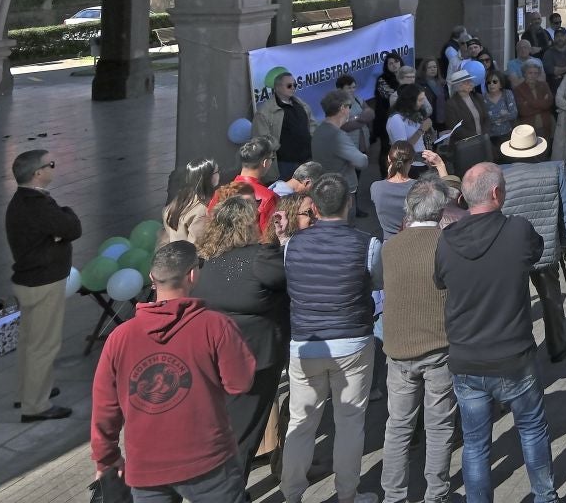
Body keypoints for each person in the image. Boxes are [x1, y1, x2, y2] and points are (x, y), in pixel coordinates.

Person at [90, 241, 256, 503]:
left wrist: (106, 457)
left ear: (152, 279)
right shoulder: (216, 326)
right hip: (209, 463)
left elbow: (104, 406)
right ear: (192, 275)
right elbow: (240, 383)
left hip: (145, 467)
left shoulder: (119, 338)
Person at [435, 162, 558, 503]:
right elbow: (536, 251)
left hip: (466, 358)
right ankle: (545, 498)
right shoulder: (517, 230)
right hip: (513, 356)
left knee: (475, 443)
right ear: (497, 193)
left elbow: (440, 280)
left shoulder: (445, 241)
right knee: (532, 429)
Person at [280, 174, 379, 503]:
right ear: (348, 203)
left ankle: (291, 495)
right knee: (350, 422)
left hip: (305, 345)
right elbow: (376, 284)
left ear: (315, 208)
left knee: (301, 422)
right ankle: (347, 495)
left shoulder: (291, 244)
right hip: (352, 342)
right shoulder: (367, 244)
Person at [192, 193, 288, 473]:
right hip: (255, 358)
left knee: (220, 428)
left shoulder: (204, 259)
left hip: (213, 356)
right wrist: (282, 241)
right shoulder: (260, 258)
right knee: (244, 432)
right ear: (247, 224)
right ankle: (229, 490)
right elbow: (289, 276)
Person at [379, 177, 459, 503]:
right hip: (440, 346)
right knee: (439, 427)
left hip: (397, 347)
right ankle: (436, 495)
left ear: (408, 210)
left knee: (398, 426)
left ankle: (393, 496)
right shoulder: (449, 244)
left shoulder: (388, 247)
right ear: (441, 211)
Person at [6, 148, 81, 423]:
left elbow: (61, 229)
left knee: (30, 340)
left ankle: (28, 391)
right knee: (44, 344)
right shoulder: (37, 205)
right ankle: (35, 405)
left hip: (28, 279)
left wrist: (59, 229)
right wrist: (67, 216)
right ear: (38, 173)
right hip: (43, 280)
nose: (53, 167)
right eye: (50, 164)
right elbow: (72, 227)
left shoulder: (23, 200)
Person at [497, 123, 566, 365]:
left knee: (517, 304)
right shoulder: (554, 170)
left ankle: (525, 352)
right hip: (546, 247)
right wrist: (564, 242)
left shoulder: (499, 174)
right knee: (551, 299)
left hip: (511, 252)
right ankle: (557, 346)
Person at [312, 90, 370, 207]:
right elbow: (362, 162)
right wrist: (362, 156)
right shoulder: (338, 135)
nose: (350, 110)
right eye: (349, 106)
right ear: (343, 108)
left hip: (326, 188)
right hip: (343, 192)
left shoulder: (319, 130)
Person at [254, 72, 314, 177]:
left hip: (307, 159)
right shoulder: (265, 112)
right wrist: (279, 147)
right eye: (289, 85)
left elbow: (312, 123)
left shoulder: (300, 104)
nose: (293, 88)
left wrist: (312, 138)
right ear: (277, 87)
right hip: (285, 164)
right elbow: (262, 139)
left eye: (295, 85)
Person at [162, 158, 219, 248]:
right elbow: (196, 246)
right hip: (189, 258)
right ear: (209, 178)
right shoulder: (201, 211)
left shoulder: (179, 200)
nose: (219, 175)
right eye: (217, 172)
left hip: (175, 253)